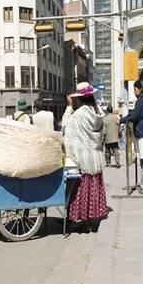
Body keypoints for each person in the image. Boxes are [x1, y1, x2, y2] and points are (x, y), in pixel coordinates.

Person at [62, 82, 108, 232]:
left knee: (81, 192)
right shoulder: (95, 113)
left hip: (83, 161)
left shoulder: (78, 114)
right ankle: (91, 220)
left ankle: (81, 221)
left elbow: (65, 128)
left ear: (79, 98)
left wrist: (69, 107)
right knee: (93, 191)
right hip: (95, 160)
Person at [120, 80, 143, 194]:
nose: (134, 91)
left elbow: (135, 115)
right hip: (142, 133)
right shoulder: (142, 100)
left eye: (134, 89)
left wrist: (122, 120)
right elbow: (134, 114)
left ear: (139, 89)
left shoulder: (142, 101)